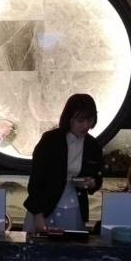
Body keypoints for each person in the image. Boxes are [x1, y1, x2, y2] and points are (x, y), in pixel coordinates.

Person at [23, 93, 104, 232]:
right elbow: (36, 181)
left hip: (75, 206)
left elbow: (98, 178)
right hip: (45, 207)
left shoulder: (93, 145)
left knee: (71, 244)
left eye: (90, 120)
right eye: (80, 120)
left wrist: (91, 184)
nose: (85, 126)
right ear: (69, 118)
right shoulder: (50, 140)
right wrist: (38, 214)